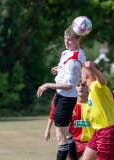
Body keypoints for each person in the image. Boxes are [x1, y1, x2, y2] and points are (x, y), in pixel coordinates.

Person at [37, 25, 86, 160]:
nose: (66, 42)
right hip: (61, 97)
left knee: (61, 138)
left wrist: (47, 85)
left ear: (77, 40)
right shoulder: (68, 53)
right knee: (68, 135)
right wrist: (59, 69)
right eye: (65, 39)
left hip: (66, 99)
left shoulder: (74, 60)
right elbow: (68, 70)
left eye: (69, 40)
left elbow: (68, 85)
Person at [45, 81, 114, 160]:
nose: (81, 87)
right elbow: (53, 112)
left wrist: (112, 93)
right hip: (74, 142)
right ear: (74, 87)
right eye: (78, 85)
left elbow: (113, 94)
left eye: (83, 85)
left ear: (88, 87)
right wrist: (47, 129)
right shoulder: (69, 104)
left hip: (90, 143)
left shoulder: (93, 103)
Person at [80, 61, 114, 160]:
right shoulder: (93, 90)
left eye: (81, 74)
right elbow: (113, 95)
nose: (80, 76)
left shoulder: (96, 86)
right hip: (98, 132)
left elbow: (102, 81)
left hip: (108, 133)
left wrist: (92, 68)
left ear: (86, 76)